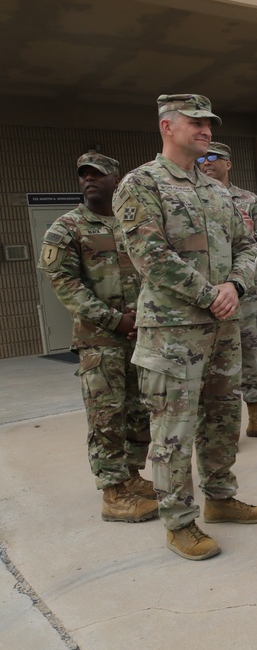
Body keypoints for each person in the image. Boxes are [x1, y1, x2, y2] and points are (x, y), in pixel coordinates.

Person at [112, 94, 257, 561]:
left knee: (222, 419)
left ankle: (220, 498)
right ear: (167, 126)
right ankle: (179, 523)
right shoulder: (141, 184)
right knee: (174, 429)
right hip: (173, 331)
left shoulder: (219, 190)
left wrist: (235, 288)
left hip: (223, 326)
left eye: (209, 123)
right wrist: (210, 294)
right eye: (196, 122)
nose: (206, 130)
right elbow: (151, 258)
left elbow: (247, 246)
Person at [38, 152, 158, 523]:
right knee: (107, 416)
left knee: (140, 410)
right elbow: (66, 285)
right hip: (100, 340)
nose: (89, 180)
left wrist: (147, 317)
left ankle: (132, 476)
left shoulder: (132, 224)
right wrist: (113, 320)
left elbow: (154, 270)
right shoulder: (66, 228)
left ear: (115, 179)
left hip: (141, 335)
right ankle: (112, 492)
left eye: (98, 174)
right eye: (84, 175)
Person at [199, 141, 257, 441]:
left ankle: (256, 419)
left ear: (228, 163)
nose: (206, 162)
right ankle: (222, 429)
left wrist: (249, 234)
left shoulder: (248, 199)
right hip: (207, 294)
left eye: (213, 157)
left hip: (246, 295)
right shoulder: (194, 198)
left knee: (250, 356)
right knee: (213, 364)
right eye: (202, 157)